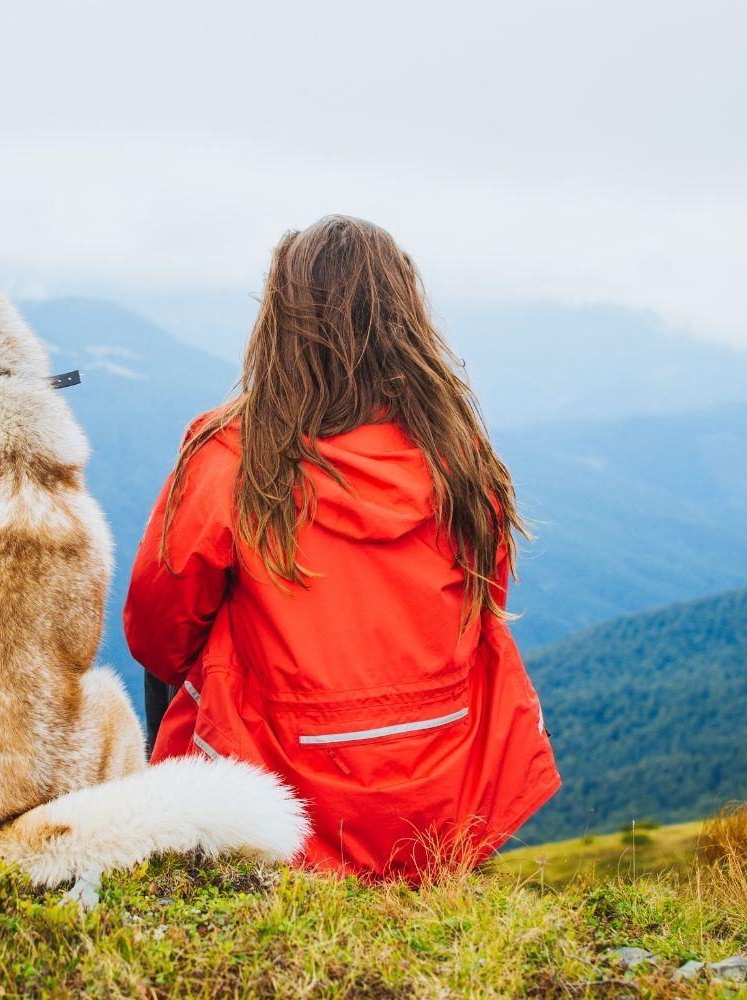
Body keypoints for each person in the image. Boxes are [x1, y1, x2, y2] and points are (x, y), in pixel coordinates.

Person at [123, 215, 559, 880]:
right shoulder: (459, 458)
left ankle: (178, 823)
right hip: (442, 801)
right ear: (406, 322)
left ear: (281, 321)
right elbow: (486, 602)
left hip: (278, 802)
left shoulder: (232, 456)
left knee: (187, 636)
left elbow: (156, 634)